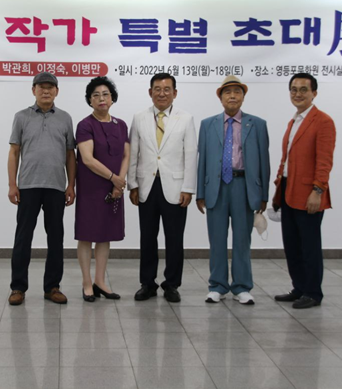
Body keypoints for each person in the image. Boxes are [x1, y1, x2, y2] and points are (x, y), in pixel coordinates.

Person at [196, 75, 270, 305]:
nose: (232, 96)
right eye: (227, 92)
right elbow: (202, 160)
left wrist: (264, 195)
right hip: (216, 188)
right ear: (220, 98)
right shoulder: (208, 124)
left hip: (243, 186)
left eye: (237, 92)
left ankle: (241, 287)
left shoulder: (257, 124)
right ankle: (217, 286)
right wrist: (200, 193)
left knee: (242, 240)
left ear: (243, 97)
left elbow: (264, 161)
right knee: (217, 240)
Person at [7, 72, 76, 306]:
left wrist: (71, 185)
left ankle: (52, 287)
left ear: (57, 91)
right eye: (41, 87)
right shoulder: (21, 117)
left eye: (50, 87)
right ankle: (18, 287)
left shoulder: (65, 118)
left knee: (56, 238)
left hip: (56, 187)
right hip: (28, 186)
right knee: (23, 238)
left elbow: (70, 154)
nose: (46, 91)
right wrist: (12, 184)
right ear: (33, 90)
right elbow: (14, 152)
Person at [128, 73, 197, 303]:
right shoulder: (139, 118)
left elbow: (191, 155)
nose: (162, 93)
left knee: (174, 238)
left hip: (175, 187)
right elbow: (133, 153)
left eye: (167, 89)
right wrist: (132, 184)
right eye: (157, 89)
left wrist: (188, 188)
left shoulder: (185, 118)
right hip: (146, 185)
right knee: (147, 237)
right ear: (150, 92)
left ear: (175, 93)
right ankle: (147, 284)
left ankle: (172, 284)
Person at [272, 73, 336, 309]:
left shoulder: (323, 121)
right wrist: (278, 189)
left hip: (309, 194)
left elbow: (324, 161)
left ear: (314, 93)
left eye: (303, 89)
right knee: (292, 245)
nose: (297, 94)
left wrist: (318, 190)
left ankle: (312, 292)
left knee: (309, 246)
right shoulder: (294, 121)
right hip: (288, 190)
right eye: (294, 89)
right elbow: (286, 159)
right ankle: (299, 288)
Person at [75, 77, 130, 302]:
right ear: (90, 100)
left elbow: (126, 155)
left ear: (112, 98)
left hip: (114, 187)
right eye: (95, 95)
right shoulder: (85, 125)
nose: (101, 98)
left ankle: (100, 281)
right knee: (87, 235)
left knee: (105, 235)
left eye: (105, 94)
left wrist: (120, 182)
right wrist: (113, 178)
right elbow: (87, 159)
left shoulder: (121, 125)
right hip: (91, 188)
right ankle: (87, 283)